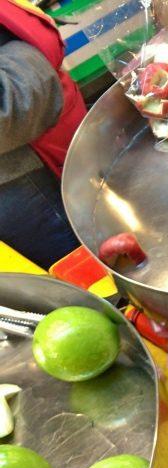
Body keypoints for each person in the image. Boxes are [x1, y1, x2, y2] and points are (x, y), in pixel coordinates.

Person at [0, 0, 86, 269]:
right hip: (25, 186)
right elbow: (9, 106)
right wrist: (35, 51)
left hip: (48, 153)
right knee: (98, 281)